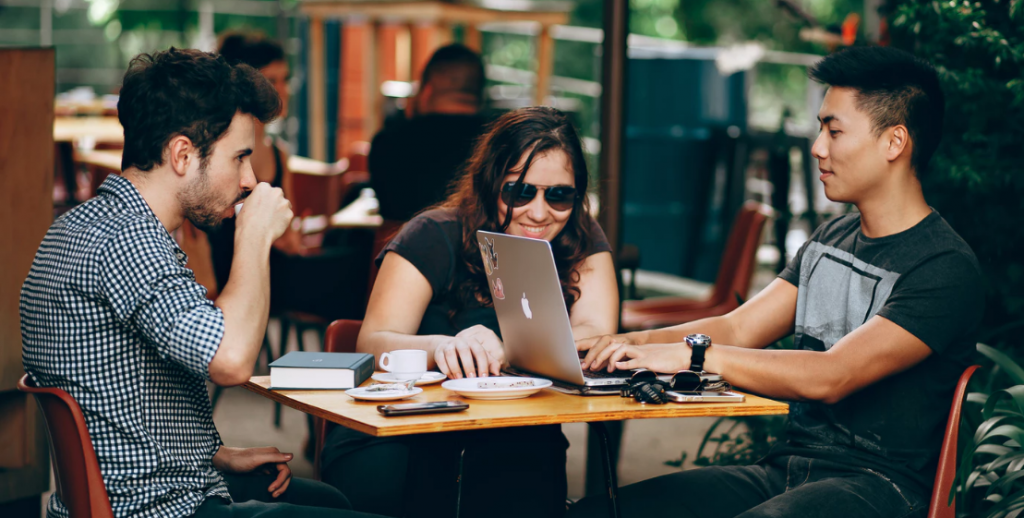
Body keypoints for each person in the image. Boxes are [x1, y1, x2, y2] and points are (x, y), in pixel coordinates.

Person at [569, 46, 983, 518]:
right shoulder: (832, 237)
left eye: (834, 130)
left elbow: (833, 375)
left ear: (894, 142)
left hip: (882, 487)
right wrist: (626, 343)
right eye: (820, 128)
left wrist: (693, 355)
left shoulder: (943, 266)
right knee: (602, 512)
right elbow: (741, 328)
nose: (817, 147)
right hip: (788, 471)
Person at [20, 47, 382, 518]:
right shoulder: (129, 242)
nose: (250, 180)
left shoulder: (86, 225)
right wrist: (253, 237)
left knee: (328, 500)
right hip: (159, 509)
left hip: (144, 488)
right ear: (183, 155)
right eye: (240, 158)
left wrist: (211, 455)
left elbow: (116, 394)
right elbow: (230, 361)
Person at [320, 106, 619, 517]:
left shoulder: (579, 236)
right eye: (519, 192)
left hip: (515, 437)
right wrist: (447, 346)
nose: (539, 211)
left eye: (560, 195)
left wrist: (508, 347)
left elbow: (598, 331)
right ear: (490, 183)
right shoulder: (433, 234)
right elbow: (372, 343)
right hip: (402, 433)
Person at [369, 43, 489, 221]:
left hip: (402, 247)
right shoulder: (498, 142)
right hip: (477, 247)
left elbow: (387, 210)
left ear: (426, 90)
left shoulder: (388, 141)